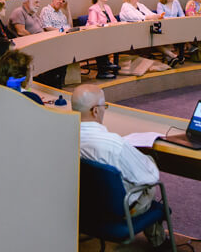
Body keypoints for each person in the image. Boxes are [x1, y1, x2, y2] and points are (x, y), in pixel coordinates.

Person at [72, 84, 170, 247]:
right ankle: (159, 242)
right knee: (148, 180)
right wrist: (148, 160)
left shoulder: (62, 135)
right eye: (105, 107)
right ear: (95, 111)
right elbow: (151, 177)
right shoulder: (115, 145)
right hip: (118, 212)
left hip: (80, 207)